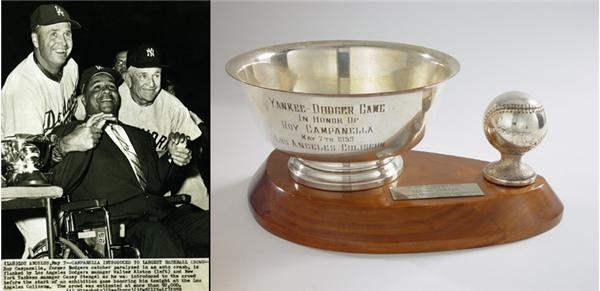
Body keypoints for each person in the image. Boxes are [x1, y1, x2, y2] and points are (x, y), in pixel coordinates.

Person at [49, 66, 210, 258]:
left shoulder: (140, 136)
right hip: (114, 225)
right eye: (97, 87)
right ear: (83, 100)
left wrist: (172, 157)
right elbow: (59, 185)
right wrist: (78, 146)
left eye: (111, 87)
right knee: (156, 235)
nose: (106, 91)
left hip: (160, 215)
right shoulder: (68, 133)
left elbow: (155, 184)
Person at [1, 4, 109, 258]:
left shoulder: (71, 68)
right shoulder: (22, 87)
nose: (63, 42)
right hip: (16, 178)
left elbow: (67, 116)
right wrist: (67, 144)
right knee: (44, 246)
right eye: (53, 33)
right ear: (35, 39)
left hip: (50, 165)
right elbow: (20, 164)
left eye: (67, 33)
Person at [119, 45, 209, 209]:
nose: (151, 83)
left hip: (163, 179)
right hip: (125, 181)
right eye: (143, 76)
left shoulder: (172, 106)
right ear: (128, 78)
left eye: (156, 75)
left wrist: (185, 153)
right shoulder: (113, 99)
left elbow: (196, 141)